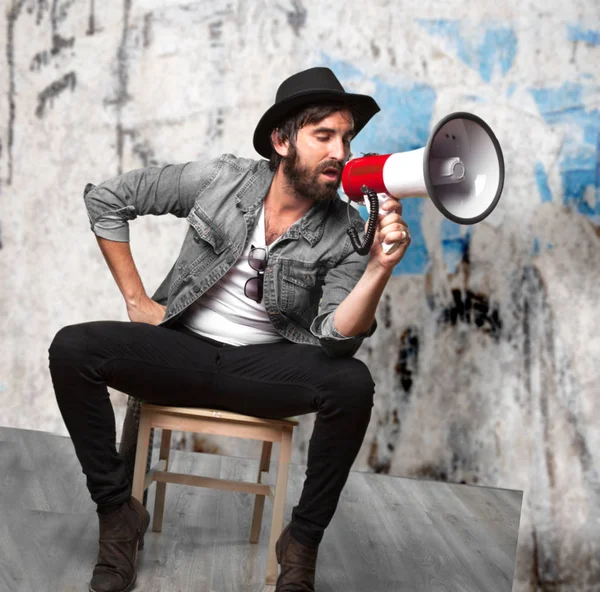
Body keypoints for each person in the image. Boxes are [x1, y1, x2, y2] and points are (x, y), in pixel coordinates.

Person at [48, 66, 411, 592]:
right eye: (324, 136)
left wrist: (378, 268)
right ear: (282, 141)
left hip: (264, 369)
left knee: (352, 381)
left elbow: (337, 336)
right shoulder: (220, 179)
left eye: (347, 138)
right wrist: (137, 300)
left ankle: (302, 543)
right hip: (182, 352)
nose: (342, 152)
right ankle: (116, 518)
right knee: (72, 348)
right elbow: (107, 199)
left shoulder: (349, 230)